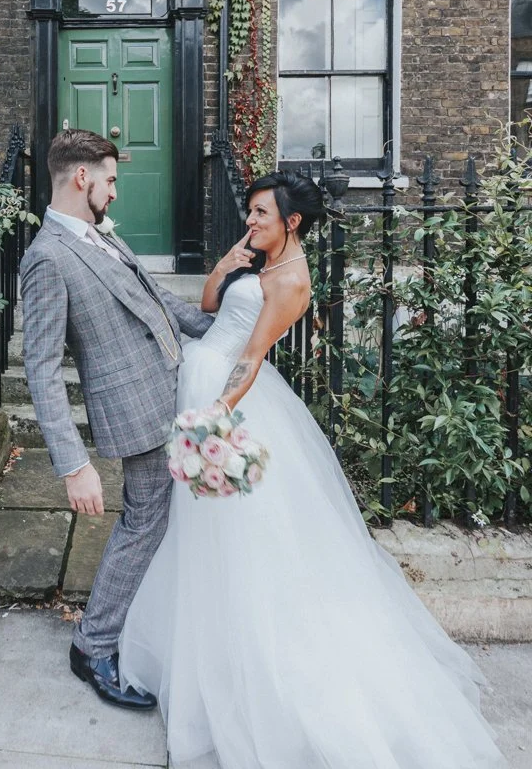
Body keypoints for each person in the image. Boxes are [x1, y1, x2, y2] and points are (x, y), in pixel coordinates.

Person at [119, 170, 507, 768]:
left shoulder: (292, 280)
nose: (250, 220)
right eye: (251, 211)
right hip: (201, 373)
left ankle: (247, 657)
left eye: (261, 214)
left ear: (292, 221)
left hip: (226, 397)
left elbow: (252, 358)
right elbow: (210, 306)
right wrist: (226, 263)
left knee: (238, 533)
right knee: (195, 526)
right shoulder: (259, 259)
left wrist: (214, 419)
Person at [20, 128, 213, 709]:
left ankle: (138, 622)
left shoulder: (99, 235)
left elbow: (159, 301)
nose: (115, 191)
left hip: (170, 394)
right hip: (133, 413)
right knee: (145, 520)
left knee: (162, 517)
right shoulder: (47, 257)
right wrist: (73, 465)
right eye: (110, 180)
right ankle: (94, 645)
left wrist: (226, 331)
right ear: (82, 177)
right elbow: (41, 370)